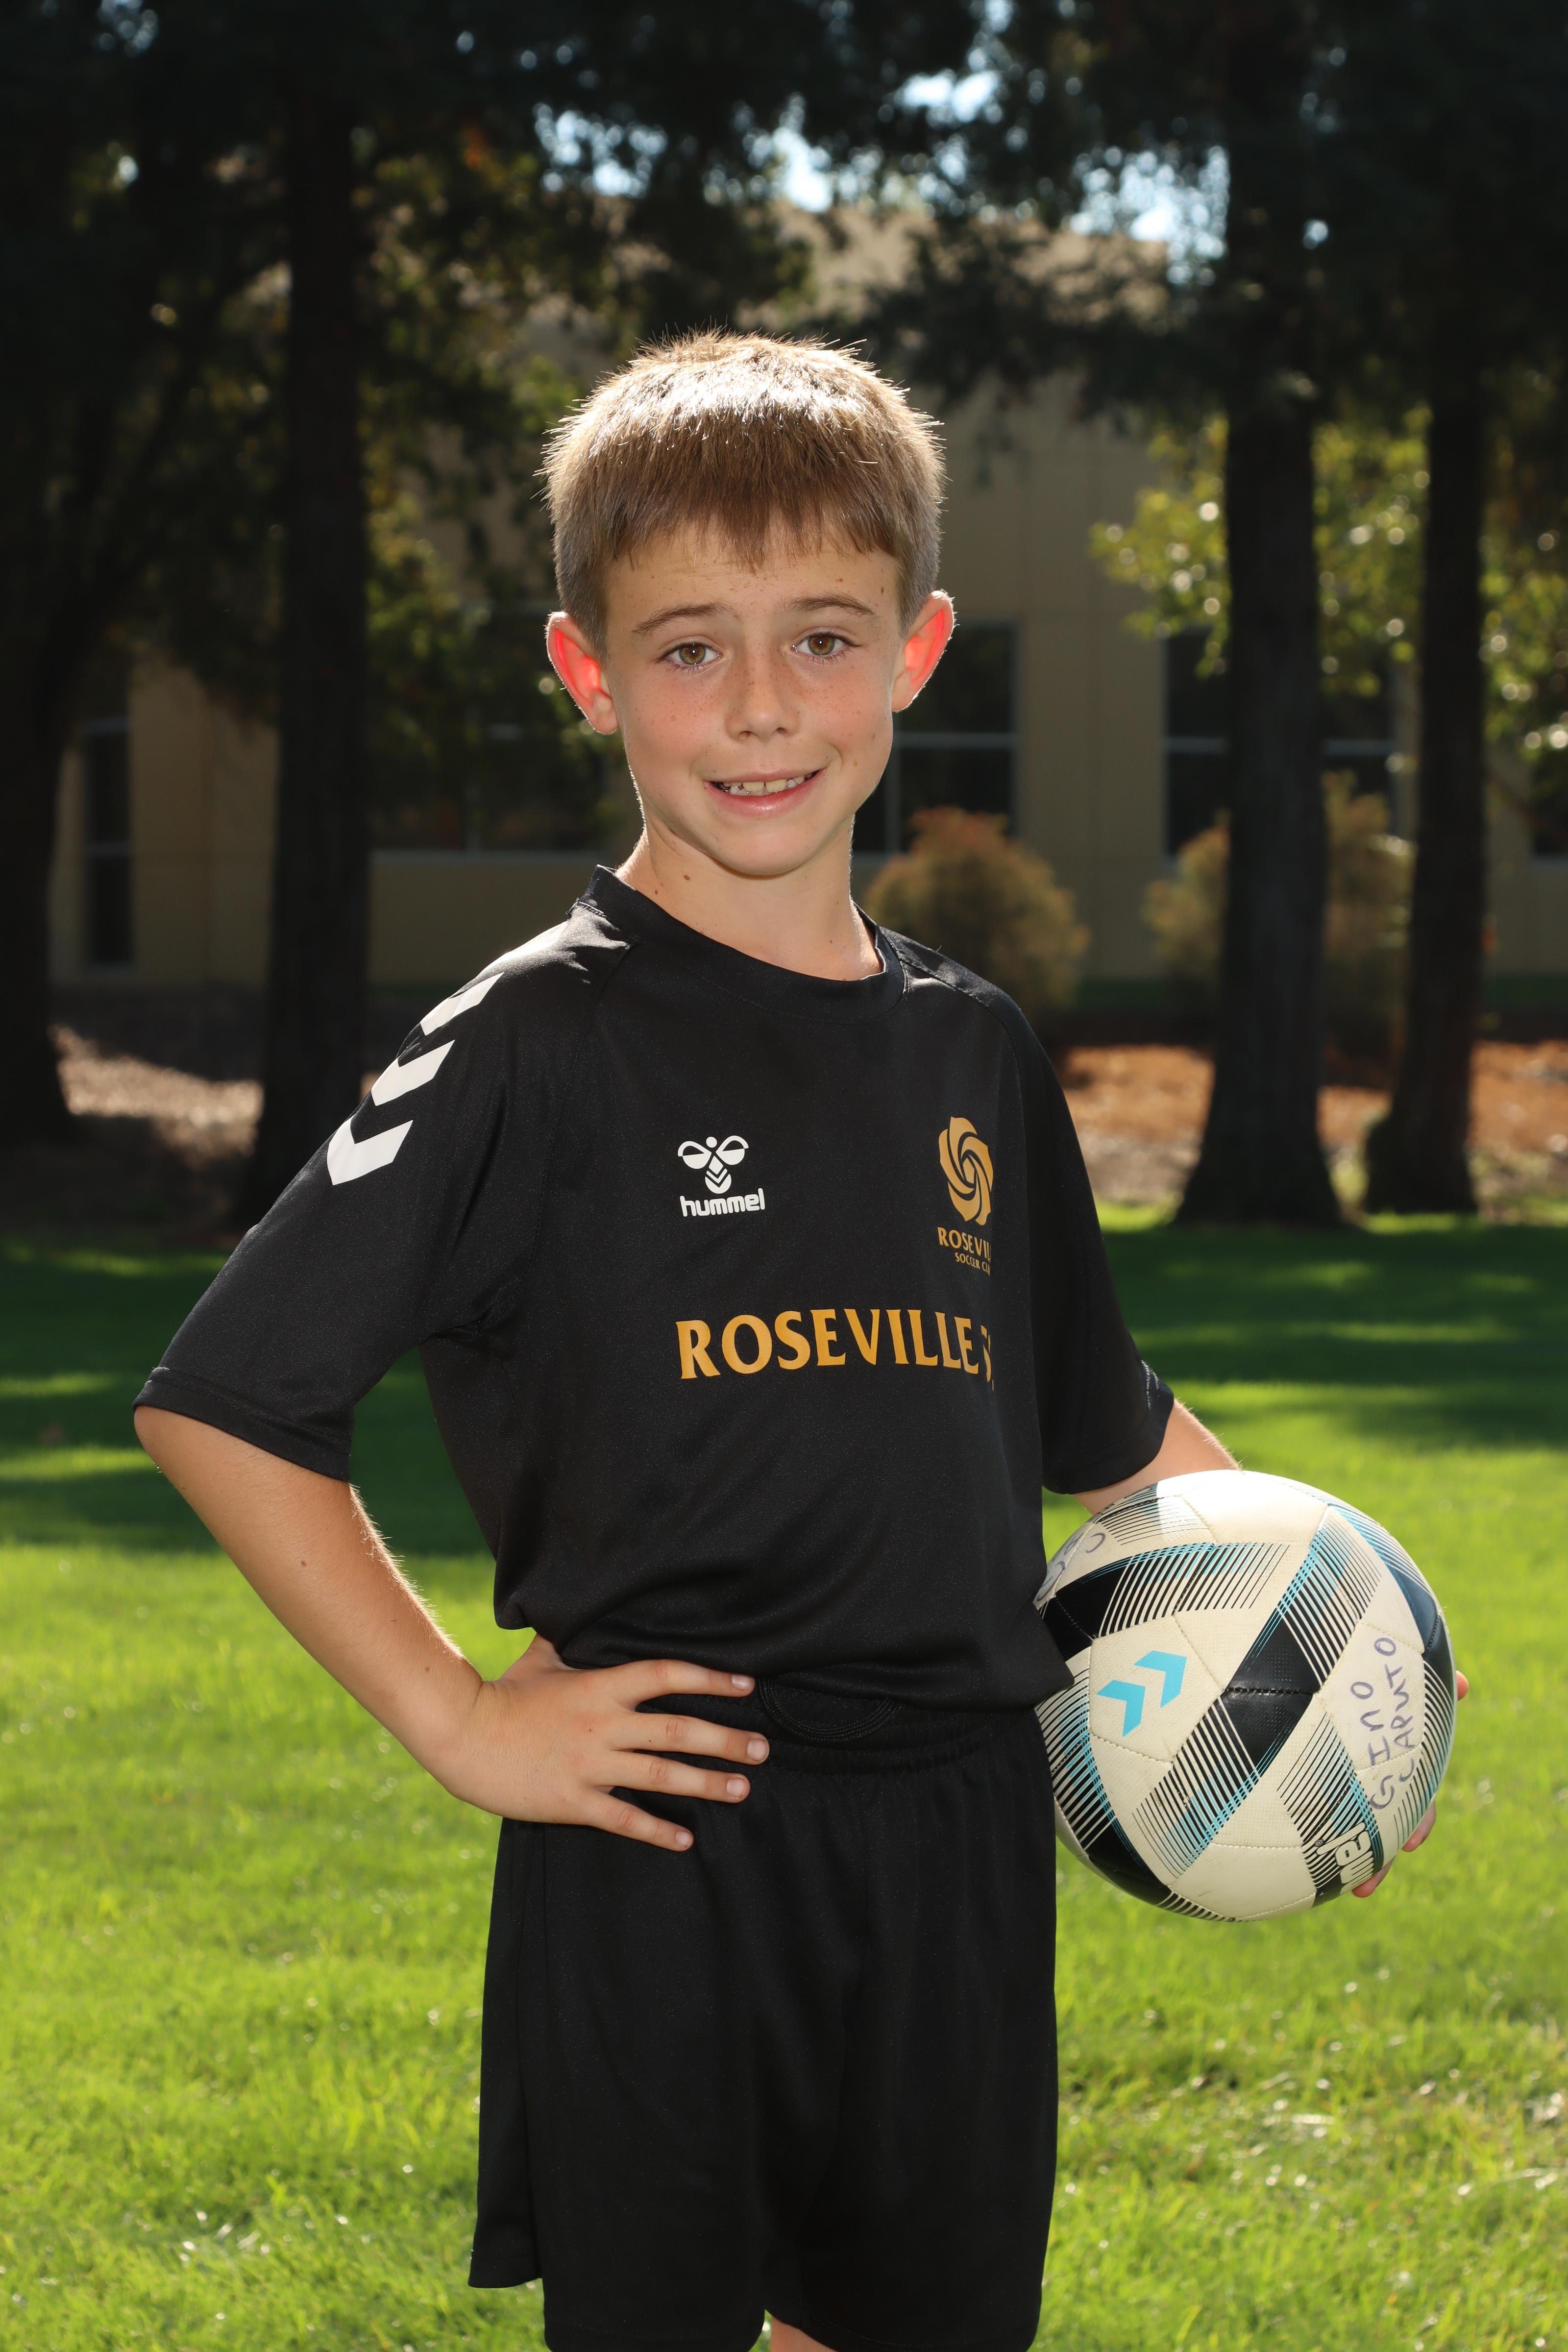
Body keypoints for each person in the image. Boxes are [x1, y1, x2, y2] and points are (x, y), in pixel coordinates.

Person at [134, 332, 1448, 2352]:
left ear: (915, 651)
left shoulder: (972, 1051)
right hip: (669, 1830)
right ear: (585, 672)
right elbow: (227, 1404)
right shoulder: (534, 1037)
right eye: (689, 648)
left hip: (965, 1832)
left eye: (822, 638)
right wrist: (462, 1721)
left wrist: (1348, 1657)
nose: (760, 705)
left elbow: (1108, 1431)